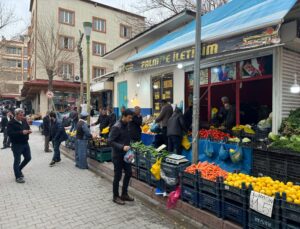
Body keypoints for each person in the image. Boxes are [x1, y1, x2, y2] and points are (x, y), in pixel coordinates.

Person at [108, 109, 134, 205]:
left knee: (129, 173)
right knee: (118, 176)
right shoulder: (116, 127)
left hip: (126, 155)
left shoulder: (127, 125)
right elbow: (110, 141)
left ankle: (124, 194)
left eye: (131, 118)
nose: (130, 120)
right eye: (129, 118)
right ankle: (115, 196)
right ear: (124, 116)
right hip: (117, 156)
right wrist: (122, 147)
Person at [7, 108, 32, 183]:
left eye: (23, 115)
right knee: (17, 161)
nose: (22, 116)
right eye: (20, 115)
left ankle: (19, 170)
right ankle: (18, 177)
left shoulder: (24, 120)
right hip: (16, 145)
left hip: (25, 143)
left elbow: (27, 128)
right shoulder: (11, 123)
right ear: (16, 115)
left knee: (28, 158)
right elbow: (10, 134)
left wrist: (28, 131)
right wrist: (21, 132)